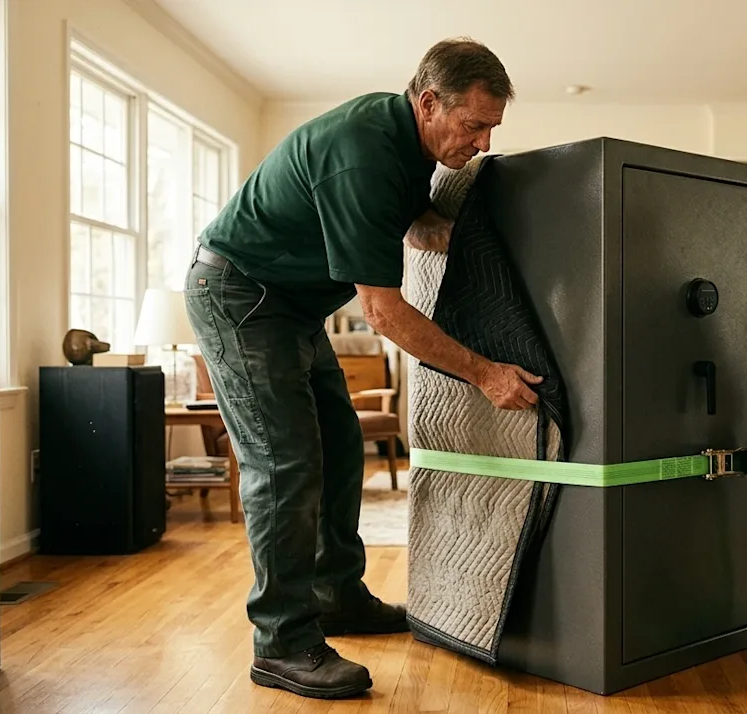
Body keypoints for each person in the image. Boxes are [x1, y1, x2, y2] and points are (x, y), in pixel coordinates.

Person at [183, 37, 542, 700]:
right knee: (284, 462)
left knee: (342, 446)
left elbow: (422, 231)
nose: (483, 144)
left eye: (492, 129)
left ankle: (335, 595)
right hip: (240, 295)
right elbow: (382, 312)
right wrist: (485, 372)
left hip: (290, 305)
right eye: (473, 127)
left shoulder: (408, 148)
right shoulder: (364, 153)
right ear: (428, 102)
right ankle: (281, 641)